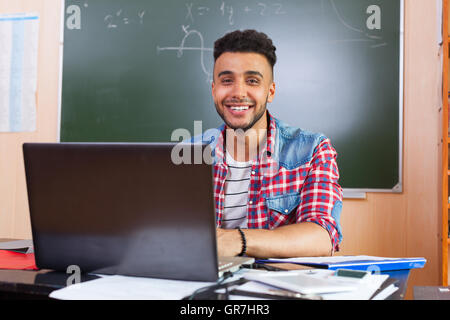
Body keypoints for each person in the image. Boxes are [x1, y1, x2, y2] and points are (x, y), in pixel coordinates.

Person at [198, 29, 343, 259]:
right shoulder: (187, 153)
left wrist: (237, 240)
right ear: (214, 89)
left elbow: (322, 237)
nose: (238, 92)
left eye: (252, 81)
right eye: (227, 80)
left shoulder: (313, 150)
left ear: (270, 91)